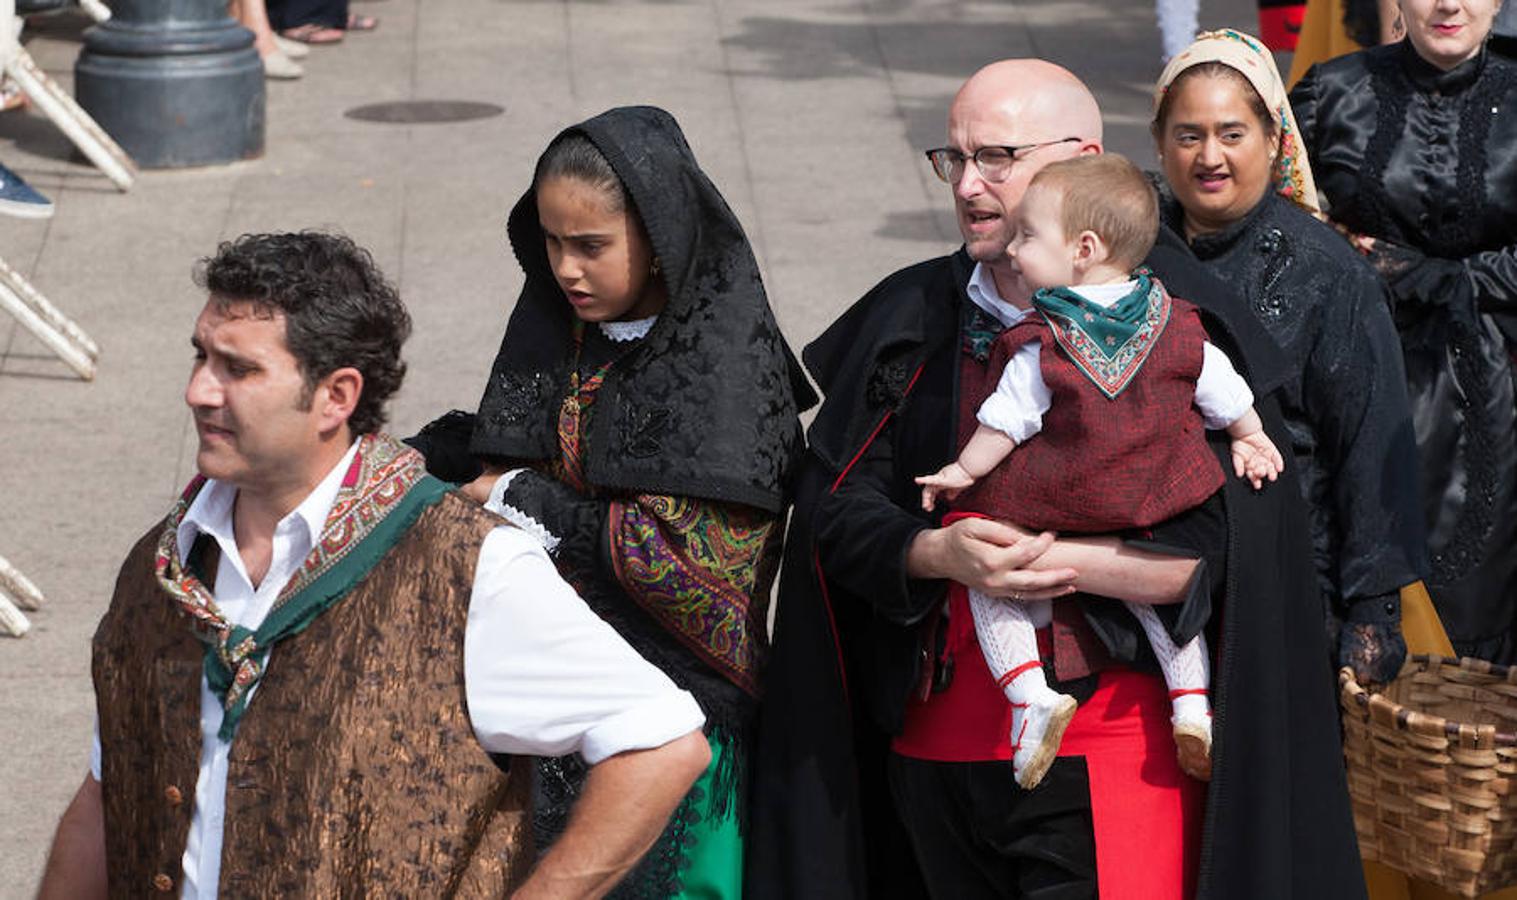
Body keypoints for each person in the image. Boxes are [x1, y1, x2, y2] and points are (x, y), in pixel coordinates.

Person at [749, 58, 1365, 900]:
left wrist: (1052, 560)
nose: (968, 185)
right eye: (953, 158)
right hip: (930, 758)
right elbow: (835, 515)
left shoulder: (1182, 325)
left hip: (1115, 752)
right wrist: (937, 553)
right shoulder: (909, 319)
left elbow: (1232, 550)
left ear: (1079, 158)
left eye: (996, 157)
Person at [35, 231, 712, 899]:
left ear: (336, 396)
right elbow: (109, 792)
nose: (198, 392)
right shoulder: (166, 563)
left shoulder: (467, 569)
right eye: (201, 358)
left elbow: (661, 745)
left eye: (238, 369)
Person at [409, 106, 815, 899]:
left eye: (590, 246)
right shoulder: (560, 329)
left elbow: (691, 571)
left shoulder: (728, 376)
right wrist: (409, 460)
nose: (564, 269)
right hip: (543, 703)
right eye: (552, 243)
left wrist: (521, 496)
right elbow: (508, 429)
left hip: (678, 727)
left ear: (660, 242)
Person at [914, 154, 1284, 787]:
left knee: (983, 566)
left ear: (1084, 248)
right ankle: (1191, 705)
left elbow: (1007, 420)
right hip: (1152, 497)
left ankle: (1030, 696)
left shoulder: (1045, 336)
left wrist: (958, 471)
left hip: (1058, 496)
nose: (1017, 249)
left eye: (1029, 236)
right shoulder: (1178, 319)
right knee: (1153, 598)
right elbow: (1222, 387)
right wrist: (1251, 439)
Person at [1154, 29, 1425, 688]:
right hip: (1151, 583)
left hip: (1284, 579)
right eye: (1187, 135)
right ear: (1160, 142)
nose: (1208, 157)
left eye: (1230, 133)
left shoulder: (1328, 274)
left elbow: (1368, 443)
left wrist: (1369, 614)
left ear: (1272, 140)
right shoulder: (1130, 252)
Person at [1289, 1, 1517, 665]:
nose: (1448, 4)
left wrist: (1446, 280)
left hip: (1495, 397)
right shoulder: (1332, 93)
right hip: (1352, 386)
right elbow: (1276, 221)